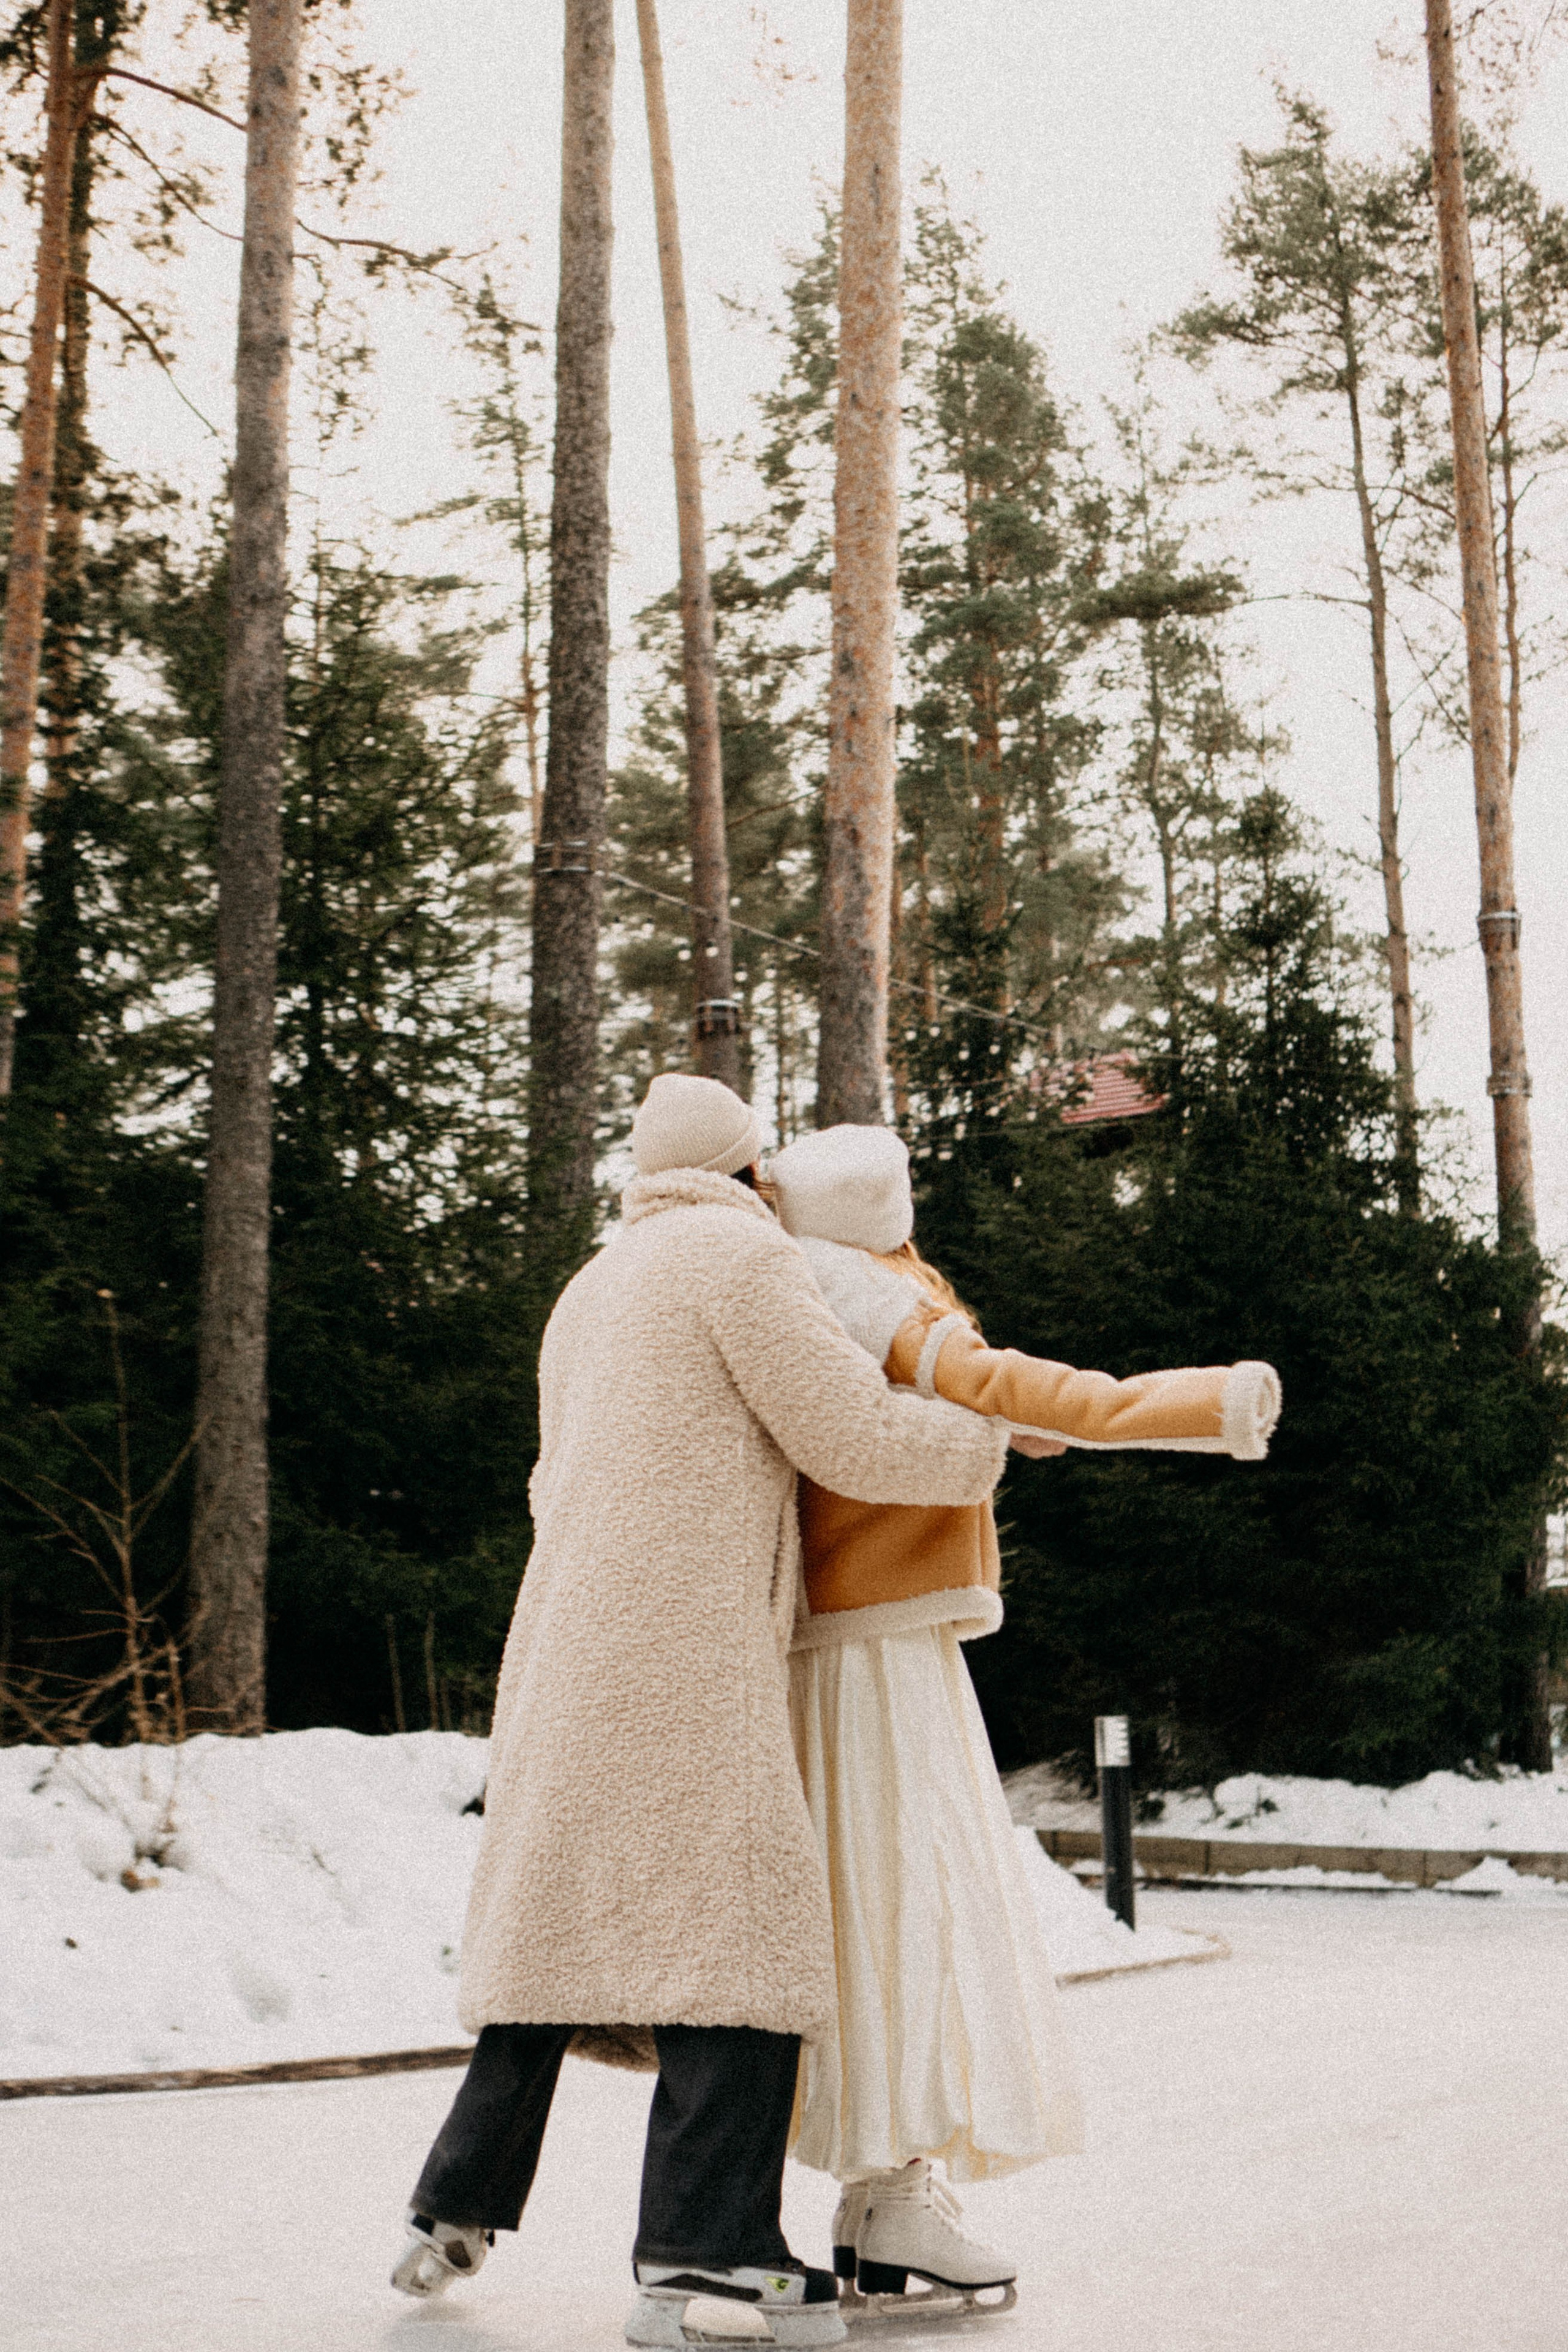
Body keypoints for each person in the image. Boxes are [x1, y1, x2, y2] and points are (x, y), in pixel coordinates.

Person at [391, 1076, 1025, 2352]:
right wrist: (985, 1435)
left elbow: (541, 1477)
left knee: (553, 1926)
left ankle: (449, 2201)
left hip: (562, 1632)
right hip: (680, 1646)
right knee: (742, 1937)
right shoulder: (741, 1263)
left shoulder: (591, 1287)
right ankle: (704, 2255)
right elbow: (845, 1431)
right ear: (749, 1178)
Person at [771, 1122, 1281, 2316]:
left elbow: (985, 1410)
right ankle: (885, 2200)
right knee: (906, 1902)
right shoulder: (863, 1286)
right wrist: (1204, 1403)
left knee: (887, 1907)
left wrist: (1000, 1423)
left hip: (850, 1638)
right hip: (874, 1643)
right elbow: (1017, 1387)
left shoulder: (804, 1283)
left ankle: (881, 2194)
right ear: (880, 1213)